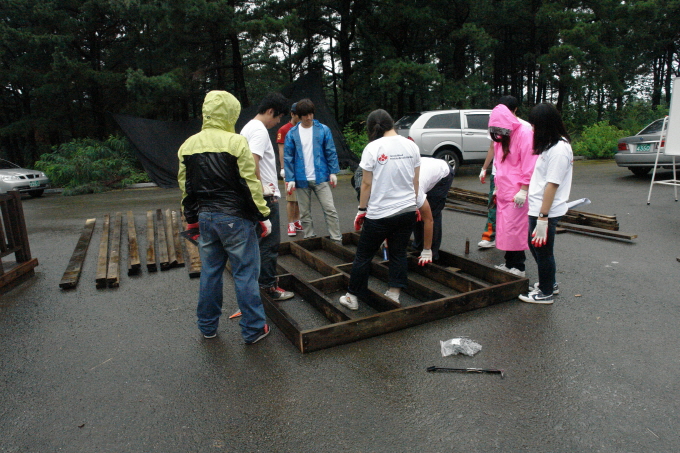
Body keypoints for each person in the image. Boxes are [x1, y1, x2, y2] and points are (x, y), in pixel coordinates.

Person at [178, 90, 272, 344]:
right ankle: (254, 329)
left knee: (210, 272)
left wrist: (192, 219)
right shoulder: (236, 142)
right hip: (236, 219)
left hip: (206, 218)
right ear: (231, 113)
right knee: (245, 274)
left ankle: (207, 326)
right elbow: (249, 183)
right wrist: (262, 214)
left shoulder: (188, 145)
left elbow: (186, 188)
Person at [339, 109, 420, 309]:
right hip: (407, 210)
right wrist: (414, 204)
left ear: (371, 128)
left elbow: (366, 184)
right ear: (392, 123)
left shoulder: (372, 147)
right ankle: (394, 294)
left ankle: (352, 297)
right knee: (398, 253)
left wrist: (361, 210)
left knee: (364, 255)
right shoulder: (411, 145)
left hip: (380, 214)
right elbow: (415, 181)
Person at [240, 92, 295, 301]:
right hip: (264, 197)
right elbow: (252, 160)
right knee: (269, 244)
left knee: (256, 243)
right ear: (270, 111)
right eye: (278, 116)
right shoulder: (259, 130)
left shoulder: (247, 127)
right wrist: (261, 189)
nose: (278, 121)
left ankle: (258, 284)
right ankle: (268, 287)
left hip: (254, 195)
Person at [519, 103, 573, 304]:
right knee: (536, 247)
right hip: (538, 207)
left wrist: (543, 217)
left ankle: (546, 292)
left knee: (543, 251)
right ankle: (550, 283)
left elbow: (552, 184)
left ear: (545, 125)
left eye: (535, 125)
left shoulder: (559, 150)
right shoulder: (550, 145)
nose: (533, 129)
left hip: (546, 210)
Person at [488, 103, 538, 277]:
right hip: (505, 188)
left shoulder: (524, 134)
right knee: (505, 229)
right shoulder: (501, 138)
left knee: (515, 229)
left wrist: (524, 189)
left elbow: (529, 163)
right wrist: (497, 186)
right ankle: (510, 263)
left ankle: (519, 266)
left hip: (517, 190)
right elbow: (499, 163)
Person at [283, 98, 342, 242]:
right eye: (305, 115)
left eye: (311, 114)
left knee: (330, 209)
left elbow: (330, 151)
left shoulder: (323, 129)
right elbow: (288, 156)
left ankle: (336, 239)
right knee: (304, 213)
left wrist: (333, 172)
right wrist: (290, 178)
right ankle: (309, 238)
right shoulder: (292, 133)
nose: (309, 117)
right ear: (298, 116)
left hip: (321, 177)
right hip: (301, 178)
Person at [478, 95, 528, 249]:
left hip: (516, 179)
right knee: (495, 208)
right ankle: (491, 236)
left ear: (515, 110)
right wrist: (484, 168)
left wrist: (524, 188)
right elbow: (493, 147)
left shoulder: (524, 128)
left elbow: (528, 159)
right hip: (499, 175)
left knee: (514, 215)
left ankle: (515, 246)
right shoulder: (497, 126)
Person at [412, 157, 455, 264]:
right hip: (427, 172)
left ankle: (431, 252)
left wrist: (426, 250)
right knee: (414, 213)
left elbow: (429, 220)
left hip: (442, 174)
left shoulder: (416, 189)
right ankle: (418, 246)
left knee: (431, 212)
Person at [277, 102, 303, 237]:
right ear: (292, 114)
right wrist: (283, 167)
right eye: (299, 115)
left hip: (302, 168)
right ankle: (290, 223)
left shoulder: (304, 128)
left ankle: (297, 220)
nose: (302, 118)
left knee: (299, 197)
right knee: (291, 198)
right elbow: (281, 150)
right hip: (290, 168)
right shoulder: (284, 130)